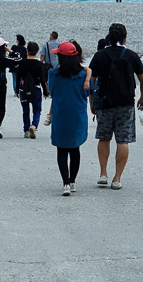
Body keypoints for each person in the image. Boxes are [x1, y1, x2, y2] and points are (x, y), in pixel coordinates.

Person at [89, 23, 143, 190]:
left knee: (104, 137)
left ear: (108, 36)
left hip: (105, 103)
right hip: (126, 103)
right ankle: (117, 178)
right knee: (123, 140)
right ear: (124, 37)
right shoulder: (131, 55)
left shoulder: (100, 55)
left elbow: (91, 82)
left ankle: (103, 174)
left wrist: (92, 103)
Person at [48, 41, 91, 196]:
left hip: (60, 115)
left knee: (61, 149)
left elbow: (51, 91)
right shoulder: (83, 75)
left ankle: (65, 182)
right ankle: (72, 181)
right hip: (78, 116)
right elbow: (88, 92)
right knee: (75, 149)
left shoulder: (53, 74)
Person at [14, 41, 47, 138]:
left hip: (23, 89)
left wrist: (16, 90)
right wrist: (45, 91)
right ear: (37, 52)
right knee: (37, 109)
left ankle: (26, 130)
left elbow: (18, 77)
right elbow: (42, 79)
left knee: (25, 110)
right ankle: (34, 125)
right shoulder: (39, 64)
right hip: (36, 89)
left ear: (27, 51)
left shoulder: (22, 63)